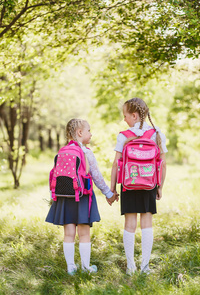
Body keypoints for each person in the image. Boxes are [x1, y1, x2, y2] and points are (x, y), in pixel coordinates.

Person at [46, 118, 118, 275]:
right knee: (84, 233)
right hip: (83, 197)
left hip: (64, 197)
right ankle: (86, 268)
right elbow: (96, 176)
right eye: (89, 130)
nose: (91, 134)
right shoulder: (86, 152)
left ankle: (71, 267)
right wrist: (108, 193)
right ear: (80, 133)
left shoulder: (62, 151)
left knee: (68, 234)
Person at [110, 97, 167, 275]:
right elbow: (163, 164)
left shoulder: (124, 135)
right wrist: (160, 187)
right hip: (149, 184)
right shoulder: (157, 134)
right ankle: (145, 267)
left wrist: (112, 189)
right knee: (147, 224)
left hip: (129, 184)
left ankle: (130, 267)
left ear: (134, 115)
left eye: (125, 115)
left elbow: (116, 163)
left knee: (130, 224)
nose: (124, 119)